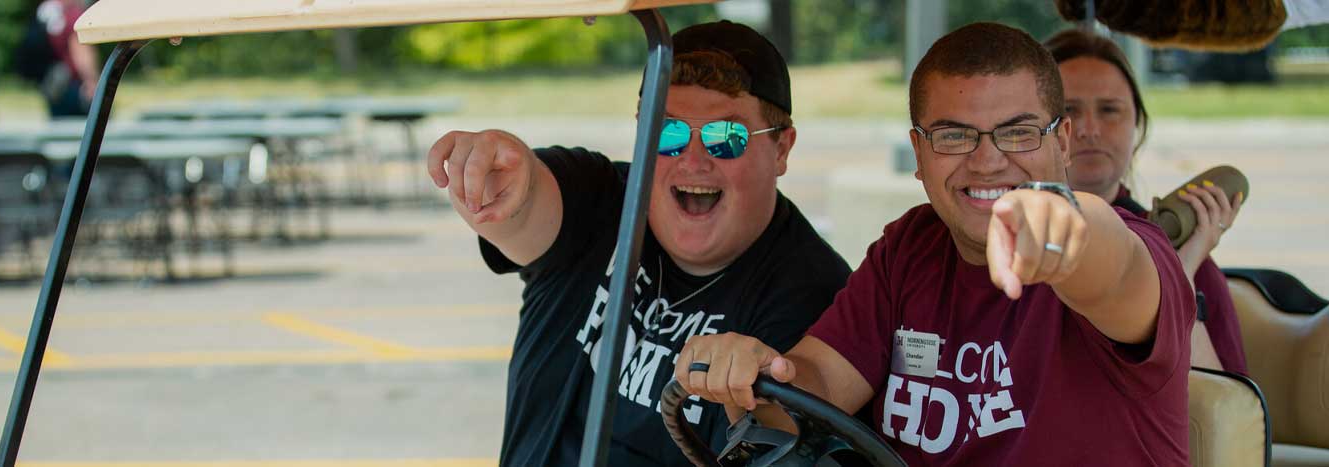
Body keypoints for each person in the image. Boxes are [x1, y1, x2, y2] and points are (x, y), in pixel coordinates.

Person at [676, 23, 1192, 466]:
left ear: (1062, 142)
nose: (988, 161)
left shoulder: (1132, 250)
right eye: (952, 136)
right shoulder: (911, 247)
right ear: (919, 153)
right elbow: (817, 387)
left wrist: (1070, 228)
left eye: (1018, 134)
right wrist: (756, 369)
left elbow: (1113, 266)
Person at [425, 20, 853, 467]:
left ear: (782, 148)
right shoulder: (603, 199)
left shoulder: (817, 294)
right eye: (667, 132)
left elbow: (785, 439)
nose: (692, 160)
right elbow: (529, 206)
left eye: (726, 138)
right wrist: (502, 181)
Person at [1046, 28, 1248, 375]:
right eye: (1068, 110)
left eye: (1110, 110)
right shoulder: (995, 242)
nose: (1088, 128)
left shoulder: (1187, 259)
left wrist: (1180, 279)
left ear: (1137, 124)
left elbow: (1231, 408)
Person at [31, 0, 98, 117]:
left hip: (53, 85)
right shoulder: (74, 15)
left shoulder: (46, 11)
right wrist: (91, 81)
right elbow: (80, 50)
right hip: (76, 87)